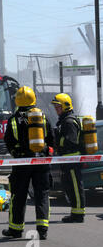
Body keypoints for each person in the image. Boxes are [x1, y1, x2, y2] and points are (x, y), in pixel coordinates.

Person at [2, 86, 54, 240]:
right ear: (33, 99)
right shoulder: (42, 117)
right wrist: (46, 152)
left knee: (18, 196)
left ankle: (16, 229)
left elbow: (9, 141)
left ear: (17, 100)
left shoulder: (13, 120)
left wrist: (16, 153)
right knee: (42, 195)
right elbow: (52, 139)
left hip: (22, 162)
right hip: (41, 162)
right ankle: (42, 229)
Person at [51, 93, 85, 223]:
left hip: (72, 160)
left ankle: (79, 214)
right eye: (55, 107)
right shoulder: (64, 121)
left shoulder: (69, 122)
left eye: (58, 106)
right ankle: (74, 212)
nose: (56, 109)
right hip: (66, 160)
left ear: (65, 106)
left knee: (76, 187)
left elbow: (71, 141)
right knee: (69, 187)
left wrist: (57, 140)